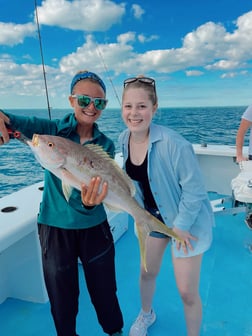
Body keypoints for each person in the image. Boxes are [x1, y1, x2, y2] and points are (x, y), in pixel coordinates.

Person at [0, 70, 124, 336]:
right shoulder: (51, 131)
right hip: (55, 229)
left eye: (99, 102)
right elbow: (15, 122)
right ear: (71, 101)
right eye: (84, 100)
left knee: (105, 289)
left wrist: (89, 204)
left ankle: (115, 331)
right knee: (62, 296)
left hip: (95, 228)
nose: (91, 107)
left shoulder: (105, 144)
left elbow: (96, 194)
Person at [119, 76, 214, 336]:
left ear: (154, 108)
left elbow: (195, 191)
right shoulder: (123, 139)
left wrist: (180, 226)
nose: (134, 113)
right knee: (147, 271)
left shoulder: (175, 144)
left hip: (186, 221)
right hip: (151, 218)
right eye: (128, 106)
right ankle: (146, 314)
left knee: (186, 292)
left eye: (141, 106)